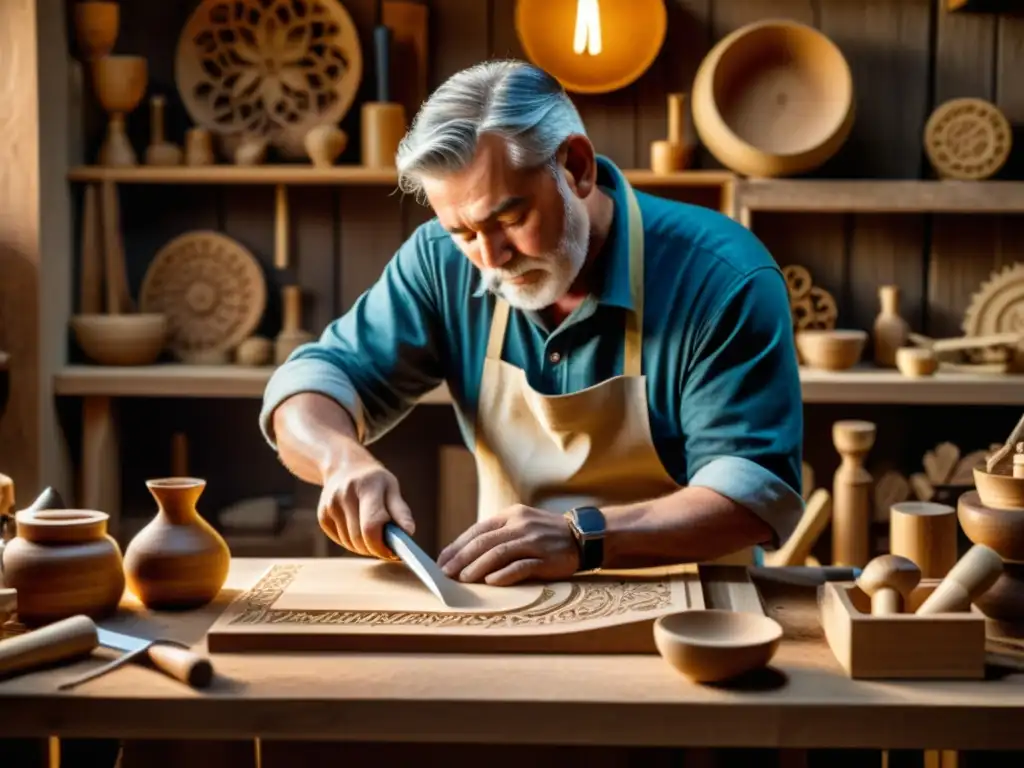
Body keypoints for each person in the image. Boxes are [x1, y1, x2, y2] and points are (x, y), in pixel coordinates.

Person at [259, 59, 804, 586]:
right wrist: (341, 460)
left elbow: (754, 496)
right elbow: (310, 385)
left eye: (511, 219)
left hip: (701, 620)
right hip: (516, 605)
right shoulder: (437, 263)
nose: (492, 259)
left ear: (577, 169)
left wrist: (583, 537)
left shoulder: (722, 276)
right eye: (464, 232)